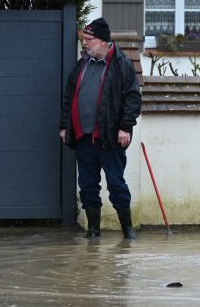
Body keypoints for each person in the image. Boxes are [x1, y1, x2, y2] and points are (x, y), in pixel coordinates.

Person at [59, 17, 142, 239]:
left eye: (89, 39)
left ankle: (128, 232)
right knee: (87, 185)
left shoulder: (122, 64)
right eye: (83, 39)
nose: (84, 43)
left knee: (116, 184)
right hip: (83, 137)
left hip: (110, 138)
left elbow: (133, 99)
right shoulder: (83, 63)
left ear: (103, 41)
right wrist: (64, 126)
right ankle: (93, 232)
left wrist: (125, 127)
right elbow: (69, 96)